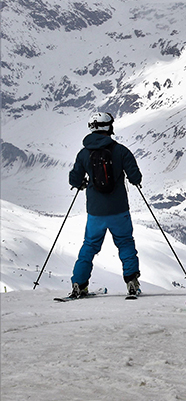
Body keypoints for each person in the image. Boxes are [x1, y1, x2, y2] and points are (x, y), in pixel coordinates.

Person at [67, 112, 143, 298]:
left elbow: (74, 178)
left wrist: (83, 183)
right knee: (125, 243)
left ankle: (79, 284)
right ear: (109, 127)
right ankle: (132, 282)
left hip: (95, 211)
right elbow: (135, 176)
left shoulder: (84, 153)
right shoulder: (120, 150)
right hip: (119, 209)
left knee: (89, 246)